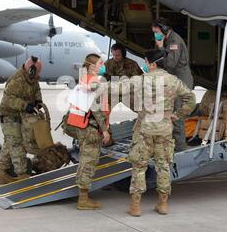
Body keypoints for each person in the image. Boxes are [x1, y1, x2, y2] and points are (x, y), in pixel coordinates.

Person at [127, 49, 196, 217]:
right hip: (164, 128)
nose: (144, 64)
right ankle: (163, 204)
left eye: (145, 61)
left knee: (139, 166)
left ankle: (136, 206)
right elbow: (191, 99)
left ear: (152, 64)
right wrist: (177, 115)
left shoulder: (142, 80)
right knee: (163, 165)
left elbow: (118, 89)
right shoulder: (173, 80)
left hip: (145, 128)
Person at [64, 53, 111, 210]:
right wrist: (105, 131)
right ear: (91, 66)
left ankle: (81, 193)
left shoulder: (83, 81)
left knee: (85, 159)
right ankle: (83, 199)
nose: (102, 65)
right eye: (99, 63)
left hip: (80, 126)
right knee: (89, 162)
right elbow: (97, 110)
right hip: (90, 128)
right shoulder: (95, 82)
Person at [0, 56, 44, 184]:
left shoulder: (32, 78)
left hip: (20, 115)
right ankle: (22, 174)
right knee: (17, 143)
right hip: (9, 115)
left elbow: (36, 89)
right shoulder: (17, 80)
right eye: (37, 72)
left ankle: (1, 174)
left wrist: (38, 102)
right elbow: (8, 99)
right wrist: (25, 105)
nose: (38, 75)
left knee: (9, 143)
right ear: (31, 70)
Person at [152, 18, 194, 152]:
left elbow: (170, 63)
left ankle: (181, 148)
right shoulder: (169, 40)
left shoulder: (174, 42)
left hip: (181, 80)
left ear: (164, 29)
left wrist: (160, 47)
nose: (155, 35)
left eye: (156, 32)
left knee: (177, 113)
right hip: (175, 79)